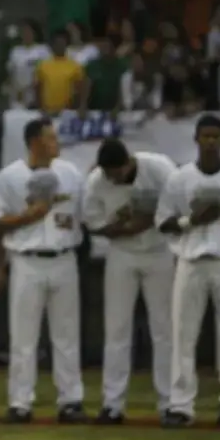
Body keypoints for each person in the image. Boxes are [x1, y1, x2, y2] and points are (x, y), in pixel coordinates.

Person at [0, 117, 86, 424]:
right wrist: (26, 218)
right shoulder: (8, 177)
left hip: (64, 257)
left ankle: (71, 401)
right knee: (23, 336)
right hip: (26, 259)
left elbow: (83, 218)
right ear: (34, 142)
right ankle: (20, 402)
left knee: (67, 335)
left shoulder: (70, 174)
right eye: (50, 137)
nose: (56, 142)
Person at [83, 139, 175, 424]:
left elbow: (177, 205)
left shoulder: (159, 167)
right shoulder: (96, 183)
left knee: (164, 329)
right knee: (117, 329)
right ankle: (112, 403)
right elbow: (95, 225)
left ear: (129, 162)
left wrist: (148, 219)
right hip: (122, 254)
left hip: (159, 251)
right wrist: (123, 226)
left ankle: (170, 403)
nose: (111, 179)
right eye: (107, 173)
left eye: (116, 173)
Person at [155, 114, 220, 428]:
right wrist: (192, 221)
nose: (211, 142)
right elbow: (163, 221)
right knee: (183, 335)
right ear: (197, 139)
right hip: (190, 261)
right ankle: (181, 405)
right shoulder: (180, 178)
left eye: (216, 136)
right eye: (206, 136)